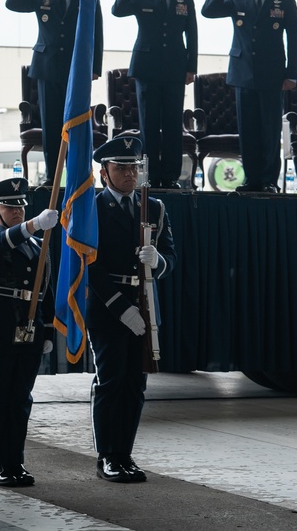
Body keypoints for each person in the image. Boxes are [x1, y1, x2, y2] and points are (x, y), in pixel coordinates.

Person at [87, 136, 175, 484]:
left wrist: (159, 261)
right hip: (110, 305)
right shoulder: (92, 208)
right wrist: (120, 308)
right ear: (104, 173)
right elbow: (89, 265)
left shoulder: (153, 208)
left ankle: (125, 453)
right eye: (120, 167)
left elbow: (171, 254)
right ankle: (107, 455)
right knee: (111, 381)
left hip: (146, 301)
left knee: (135, 384)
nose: (128, 173)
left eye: (133, 167)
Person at [0, 178, 58, 487]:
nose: (17, 211)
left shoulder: (38, 243)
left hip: (29, 325)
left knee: (20, 398)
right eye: (9, 206)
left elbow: (44, 288)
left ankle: (15, 461)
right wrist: (33, 225)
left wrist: (47, 329)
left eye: (21, 206)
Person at [201, 0, 297, 193]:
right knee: (248, 131)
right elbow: (208, 10)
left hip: (272, 74)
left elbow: (294, 37)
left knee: (269, 130)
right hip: (243, 73)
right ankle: (251, 179)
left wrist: (292, 74)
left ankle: (268, 181)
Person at [6, 0, 104, 186]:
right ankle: (53, 176)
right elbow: (13, 3)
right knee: (51, 126)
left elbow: (97, 33)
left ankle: (76, 176)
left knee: (75, 123)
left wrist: (95, 67)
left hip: (75, 70)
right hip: (47, 68)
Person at [111, 0, 198, 189]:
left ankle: (169, 177)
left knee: (172, 124)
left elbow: (192, 33)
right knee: (148, 126)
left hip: (174, 69)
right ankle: (149, 175)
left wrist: (191, 67)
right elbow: (117, 10)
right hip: (146, 69)